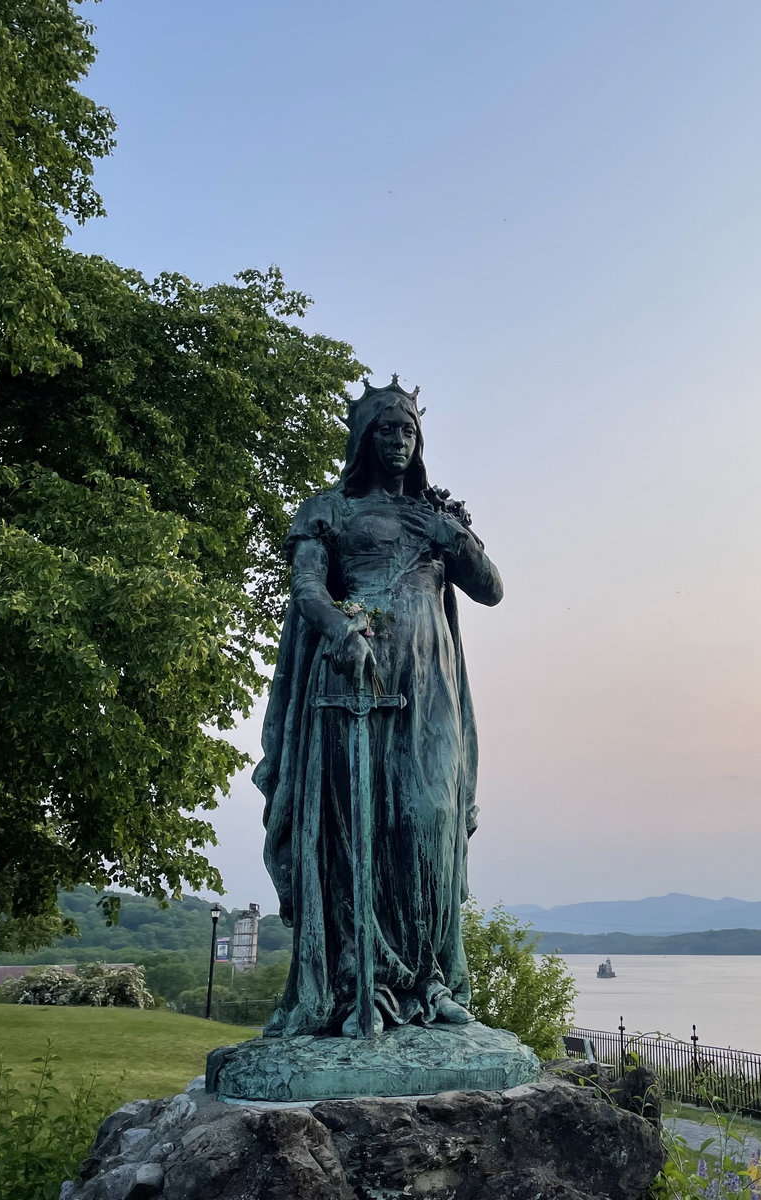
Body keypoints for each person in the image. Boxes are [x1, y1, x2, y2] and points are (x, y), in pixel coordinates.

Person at [253, 376, 502, 1037]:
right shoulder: (327, 509)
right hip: (354, 681)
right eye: (386, 430)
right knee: (356, 831)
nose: (398, 440)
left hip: (431, 684)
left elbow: (492, 590)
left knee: (431, 819)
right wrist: (340, 629)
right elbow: (306, 584)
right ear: (363, 439)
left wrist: (454, 538)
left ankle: (431, 982)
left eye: (408, 431)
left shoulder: (438, 518)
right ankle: (353, 981)